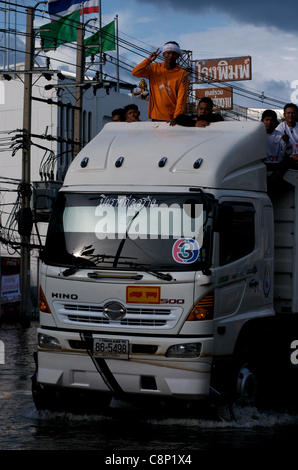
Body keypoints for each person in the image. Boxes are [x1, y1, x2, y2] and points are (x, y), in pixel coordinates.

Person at [131, 41, 189, 126]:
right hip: (156, 116)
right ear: (164, 54)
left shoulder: (182, 73)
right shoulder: (154, 68)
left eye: (174, 54)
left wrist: (176, 116)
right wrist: (148, 60)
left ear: (178, 56)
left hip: (172, 118)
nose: (171, 56)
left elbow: (182, 97)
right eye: (168, 53)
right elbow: (135, 73)